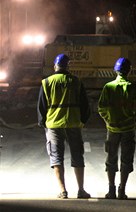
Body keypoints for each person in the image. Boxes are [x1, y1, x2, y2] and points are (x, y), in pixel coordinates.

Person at [37, 53, 91, 199]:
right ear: (68, 66)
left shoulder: (47, 82)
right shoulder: (76, 82)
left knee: (56, 158)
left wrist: (43, 123)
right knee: (77, 156)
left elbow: (41, 106)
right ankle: (81, 190)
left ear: (55, 66)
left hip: (54, 125)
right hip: (73, 124)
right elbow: (86, 106)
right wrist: (82, 121)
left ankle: (63, 191)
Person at [98, 57, 136, 199]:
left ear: (115, 70)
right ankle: (121, 190)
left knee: (111, 159)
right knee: (126, 159)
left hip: (112, 129)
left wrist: (108, 120)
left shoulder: (108, 87)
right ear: (129, 70)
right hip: (128, 129)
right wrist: (135, 122)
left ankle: (111, 190)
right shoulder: (133, 87)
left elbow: (101, 108)